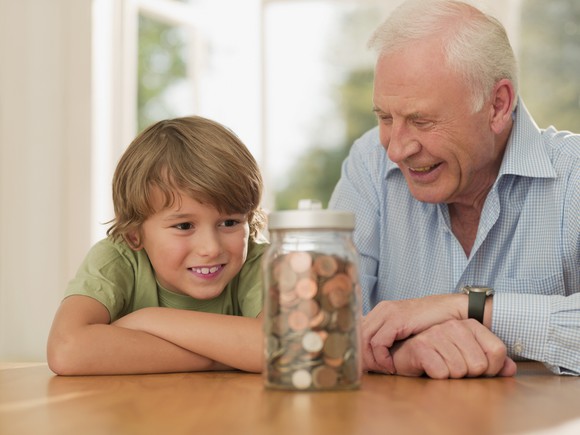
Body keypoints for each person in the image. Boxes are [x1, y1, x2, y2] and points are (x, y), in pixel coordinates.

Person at [329, 0, 579, 379]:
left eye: (421, 120)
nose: (396, 149)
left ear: (498, 105)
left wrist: (466, 307)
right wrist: (404, 352)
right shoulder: (369, 162)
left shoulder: (574, 176)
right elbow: (321, 322)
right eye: (385, 118)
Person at [47, 116, 268, 375]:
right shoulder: (117, 259)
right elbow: (67, 350)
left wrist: (149, 320)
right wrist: (225, 356)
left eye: (229, 222)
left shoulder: (262, 264)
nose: (211, 248)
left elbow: (280, 347)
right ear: (133, 234)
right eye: (184, 226)